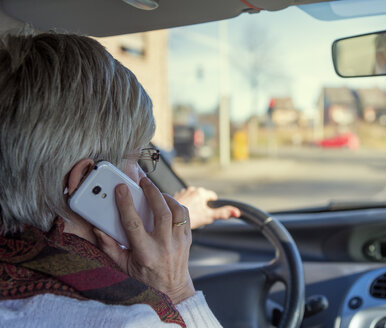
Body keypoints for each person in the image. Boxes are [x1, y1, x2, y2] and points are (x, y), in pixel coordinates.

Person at [0, 32, 223, 327]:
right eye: (136, 159)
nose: (145, 180)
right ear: (83, 181)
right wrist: (177, 289)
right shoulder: (125, 320)